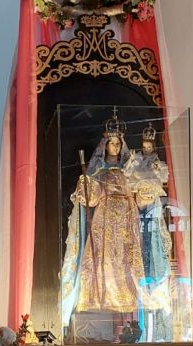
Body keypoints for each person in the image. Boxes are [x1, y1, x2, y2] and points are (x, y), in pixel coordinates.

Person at [59, 115, 146, 329]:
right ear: (105, 146)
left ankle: (128, 299)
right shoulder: (98, 172)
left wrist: (147, 188)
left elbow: (141, 197)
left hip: (127, 216)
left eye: (118, 143)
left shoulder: (130, 170)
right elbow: (93, 199)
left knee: (125, 258)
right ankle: (101, 297)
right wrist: (85, 185)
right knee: (105, 258)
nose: (115, 147)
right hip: (105, 217)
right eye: (111, 143)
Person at [125, 125, 173, 342]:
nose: (146, 148)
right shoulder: (135, 162)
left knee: (154, 244)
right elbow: (129, 178)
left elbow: (162, 178)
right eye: (144, 145)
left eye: (149, 145)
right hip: (139, 211)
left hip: (152, 209)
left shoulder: (157, 164)